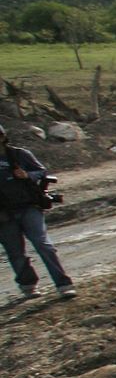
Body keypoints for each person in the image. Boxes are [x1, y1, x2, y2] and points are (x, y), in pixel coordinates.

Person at [0, 124, 76, 300]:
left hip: (28, 207)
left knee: (43, 245)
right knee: (15, 253)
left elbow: (41, 171)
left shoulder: (19, 155)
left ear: (3, 137)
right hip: (4, 214)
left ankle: (64, 284)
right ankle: (28, 286)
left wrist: (27, 175)